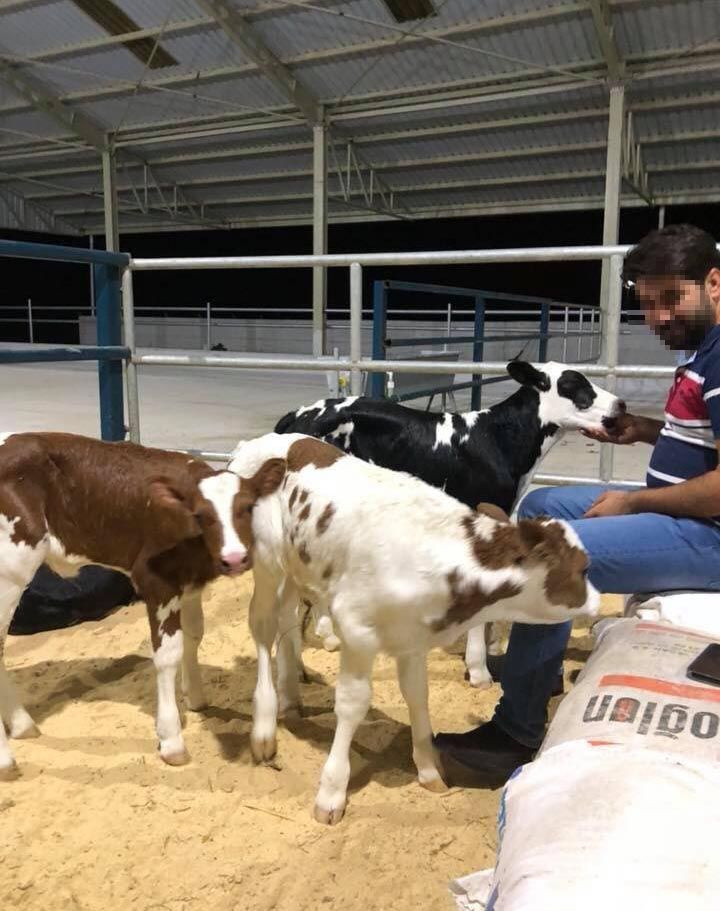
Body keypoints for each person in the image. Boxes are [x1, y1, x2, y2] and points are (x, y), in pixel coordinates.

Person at [433, 223, 720, 785]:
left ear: (714, 283)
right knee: (543, 504)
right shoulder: (703, 351)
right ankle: (536, 669)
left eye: (672, 299)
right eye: (648, 304)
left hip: (706, 536)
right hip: (681, 517)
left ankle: (515, 733)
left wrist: (632, 503)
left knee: (550, 555)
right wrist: (643, 430)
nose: (659, 317)